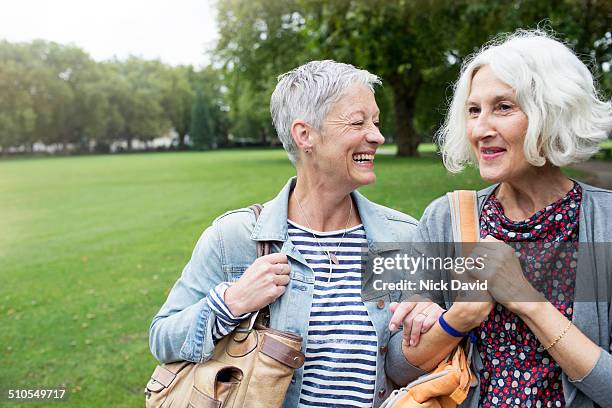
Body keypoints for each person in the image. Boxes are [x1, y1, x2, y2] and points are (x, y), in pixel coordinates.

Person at [149, 60, 441, 408]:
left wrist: (436, 324)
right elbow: (162, 337)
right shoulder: (235, 238)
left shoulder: (402, 236)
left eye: (376, 122)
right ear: (305, 135)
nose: (377, 136)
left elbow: (403, 364)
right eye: (358, 122)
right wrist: (230, 303)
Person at [393, 30, 612, 407]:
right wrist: (456, 318)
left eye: (504, 107)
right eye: (474, 110)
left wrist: (526, 299)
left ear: (553, 111)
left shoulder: (604, 224)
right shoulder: (445, 219)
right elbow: (397, 366)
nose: (480, 130)